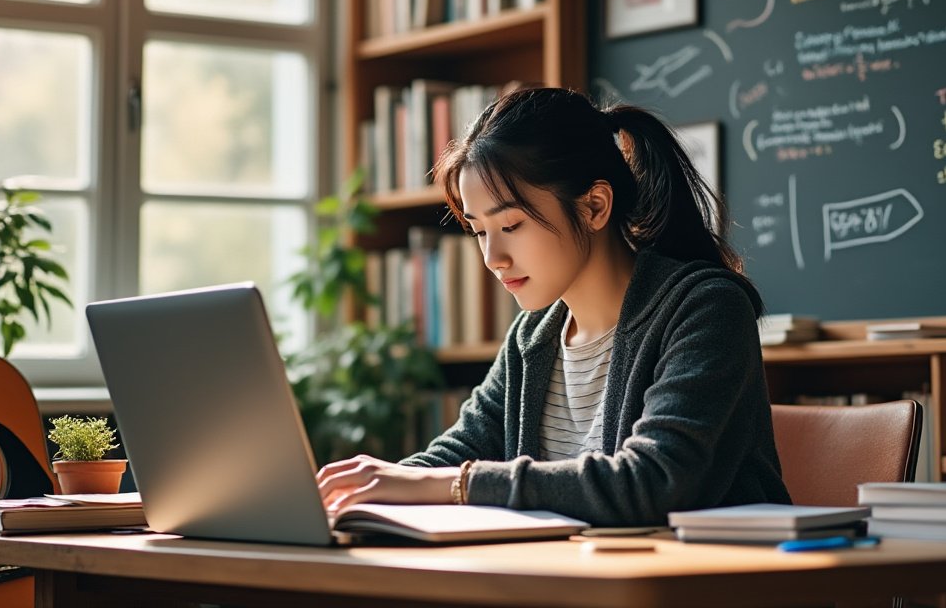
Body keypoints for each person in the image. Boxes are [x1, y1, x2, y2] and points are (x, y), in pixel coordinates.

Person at [316, 87, 789, 526]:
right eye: (480, 231)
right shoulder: (533, 335)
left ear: (594, 207)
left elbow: (654, 482)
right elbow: (459, 449)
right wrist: (361, 494)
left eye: (512, 225)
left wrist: (457, 485)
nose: (492, 259)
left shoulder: (705, 308)